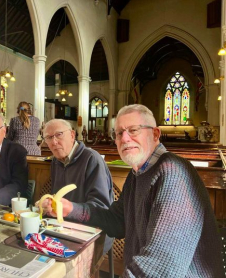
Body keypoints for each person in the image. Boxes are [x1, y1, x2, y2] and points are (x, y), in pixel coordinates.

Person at [95, 104, 223, 277]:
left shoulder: (173, 172)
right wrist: (71, 210)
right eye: (119, 133)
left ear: (155, 134)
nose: (124, 138)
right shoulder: (137, 173)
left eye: (133, 130)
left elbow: (161, 266)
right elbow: (117, 222)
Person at [38, 119, 114, 254]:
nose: (54, 142)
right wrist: (48, 205)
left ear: (72, 135)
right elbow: (58, 199)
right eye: (49, 138)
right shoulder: (56, 161)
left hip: (93, 232)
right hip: (63, 228)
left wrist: (70, 209)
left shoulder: (91, 159)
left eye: (59, 134)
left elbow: (101, 208)